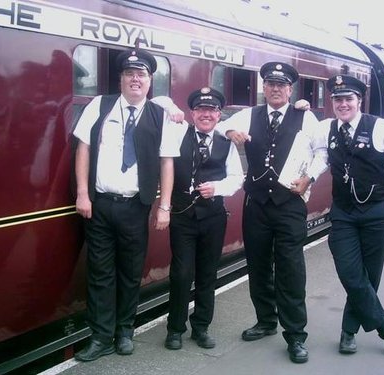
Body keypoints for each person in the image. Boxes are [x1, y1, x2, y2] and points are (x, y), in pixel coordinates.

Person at [215, 62, 328, 363]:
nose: (275, 89)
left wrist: (310, 177)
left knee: (290, 269)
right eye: (270, 84)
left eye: (281, 85)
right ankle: (265, 320)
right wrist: (229, 130)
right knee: (259, 265)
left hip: (290, 203)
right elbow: (216, 124)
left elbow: (322, 152)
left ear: (290, 89)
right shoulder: (249, 115)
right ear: (263, 88)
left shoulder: (306, 116)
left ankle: (295, 335)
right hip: (257, 206)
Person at [72, 48, 179, 362]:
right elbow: (83, 149)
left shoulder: (160, 115)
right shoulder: (100, 106)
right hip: (100, 204)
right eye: (130, 73)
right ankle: (101, 336)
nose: (136, 79)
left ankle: (124, 332)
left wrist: (165, 207)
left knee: (130, 273)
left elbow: (167, 164)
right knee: (100, 273)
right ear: (121, 78)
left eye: (142, 74)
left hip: (136, 207)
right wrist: (82, 192)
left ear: (149, 81)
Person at [323, 75, 384, 356]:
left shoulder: (381, 127)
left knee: (369, 276)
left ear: (359, 101)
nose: (343, 104)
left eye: (348, 98)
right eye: (338, 99)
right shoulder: (326, 129)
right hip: (344, 213)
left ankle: (348, 331)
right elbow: (300, 133)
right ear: (332, 103)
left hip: (376, 212)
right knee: (351, 274)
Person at [159, 87, 244, 351]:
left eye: (211, 110)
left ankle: (201, 327)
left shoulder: (225, 142)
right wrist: (171, 107)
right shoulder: (177, 131)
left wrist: (217, 188)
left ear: (219, 115)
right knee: (182, 273)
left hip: (213, 217)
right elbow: (155, 100)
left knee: (207, 274)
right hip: (183, 216)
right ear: (193, 112)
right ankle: (175, 329)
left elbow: (236, 178)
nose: (206, 115)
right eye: (201, 110)